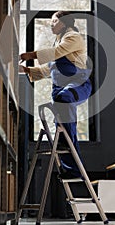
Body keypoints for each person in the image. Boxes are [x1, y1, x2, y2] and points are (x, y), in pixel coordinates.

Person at [19, 11, 92, 179]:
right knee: (62, 125)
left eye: (55, 21)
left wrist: (29, 55)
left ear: (64, 23)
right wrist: (27, 70)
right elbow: (48, 69)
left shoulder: (73, 37)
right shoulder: (58, 41)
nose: (52, 24)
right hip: (59, 90)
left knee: (64, 101)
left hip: (78, 85)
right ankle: (70, 169)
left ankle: (74, 165)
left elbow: (56, 52)